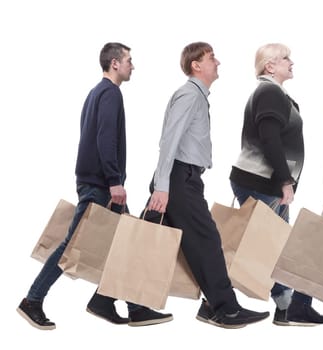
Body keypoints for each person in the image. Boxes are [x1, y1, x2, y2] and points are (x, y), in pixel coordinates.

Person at [17, 43, 173, 330]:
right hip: (100, 185)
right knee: (71, 246)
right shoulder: (110, 93)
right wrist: (115, 181)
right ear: (115, 63)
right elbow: (104, 139)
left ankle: (123, 304)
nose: (132, 66)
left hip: (96, 182)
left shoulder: (95, 93)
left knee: (125, 242)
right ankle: (32, 300)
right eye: (128, 60)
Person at [145, 42, 269, 329]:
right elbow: (169, 142)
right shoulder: (190, 95)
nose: (218, 62)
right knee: (208, 239)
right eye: (211, 58)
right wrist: (162, 186)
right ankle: (226, 309)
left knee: (148, 237)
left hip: (182, 177)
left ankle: (110, 299)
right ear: (196, 65)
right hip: (177, 178)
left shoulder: (195, 95)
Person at [229, 43, 323, 326]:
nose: (291, 62)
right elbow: (269, 138)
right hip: (262, 183)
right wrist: (285, 182)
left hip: (264, 183)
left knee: (275, 246)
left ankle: (286, 308)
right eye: (285, 58)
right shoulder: (269, 92)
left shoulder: (275, 93)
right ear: (269, 66)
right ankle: (219, 301)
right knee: (270, 246)